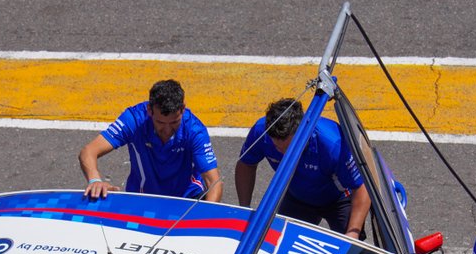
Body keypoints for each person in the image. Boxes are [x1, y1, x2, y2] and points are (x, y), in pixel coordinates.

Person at [235, 98, 370, 239]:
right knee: (278, 242)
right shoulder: (261, 132)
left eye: (289, 148)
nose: (283, 153)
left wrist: (352, 233)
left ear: (304, 132)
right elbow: (246, 164)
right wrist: (244, 208)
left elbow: (361, 186)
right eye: (277, 147)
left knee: (351, 251)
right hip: (298, 198)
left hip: (339, 199)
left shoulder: (333, 144)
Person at [78, 79, 222, 202]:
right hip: (143, 199)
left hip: (186, 202)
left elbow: (213, 182)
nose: (167, 130)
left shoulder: (195, 130)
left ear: (183, 109)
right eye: (160, 122)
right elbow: (88, 152)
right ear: (149, 110)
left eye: (174, 123)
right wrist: (95, 180)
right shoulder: (133, 119)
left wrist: (205, 216)